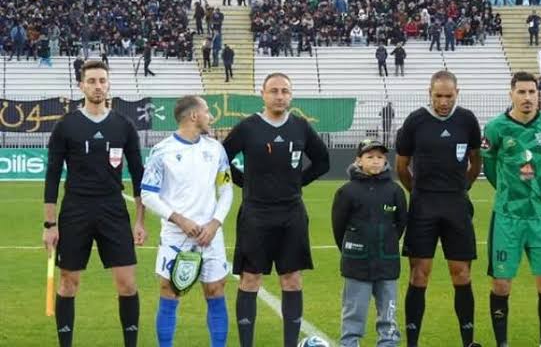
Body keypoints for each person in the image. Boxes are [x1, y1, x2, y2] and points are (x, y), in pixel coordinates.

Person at [42, 60, 146, 347]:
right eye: (92, 81)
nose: (98, 86)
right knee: (68, 283)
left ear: (108, 83)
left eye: (102, 80)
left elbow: (139, 176)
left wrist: (139, 220)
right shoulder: (66, 126)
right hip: (76, 209)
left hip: (114, 209)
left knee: (127, 284)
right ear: (81, 86)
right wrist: (50, 224)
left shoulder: (123, 125)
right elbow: (51, 177)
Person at [222, 73, 330, 347]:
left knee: (292, 280)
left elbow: (322, 162)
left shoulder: (301, 127)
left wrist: (297, 183)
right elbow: (222, 159)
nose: (279, 96)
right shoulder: (248, 127)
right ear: (263, 93)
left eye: (284, 91)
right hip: (255, 214)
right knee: (250, 279)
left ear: (291, 95)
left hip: (291, 214)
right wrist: (247, 185)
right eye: (274, 91)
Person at [395, 70, 483, 347]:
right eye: (438, 96)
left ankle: (468, 341)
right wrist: (418, 193)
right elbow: (401, 166)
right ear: (429, 92)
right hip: (423, 207)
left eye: (448, 96)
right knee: (419, 273)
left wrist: (460, 190)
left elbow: (475, 162)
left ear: (457, 93)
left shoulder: (467, 120)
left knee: (462, 273)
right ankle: (412, 342)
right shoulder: (415, 121)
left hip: (456, 205)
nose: (443, 101)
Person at [141, 96, 234, 347]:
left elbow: (226, 190)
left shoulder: (216, 149)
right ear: (194, 116)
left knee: (215, 290)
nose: (210, 117)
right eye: (206, 111)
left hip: (210, 235)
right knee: (169, 292)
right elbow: (148, 194)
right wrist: (179, 220)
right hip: (176, 234)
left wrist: (215, 223)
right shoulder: (162, 151)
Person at [481, 71, 541, 347]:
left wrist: (536, 190)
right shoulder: (496, 128)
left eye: (532, 92)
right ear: (511, 93)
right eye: (522, 92)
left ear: (538, 94)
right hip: (507, 217)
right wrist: (509, 191)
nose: (527, 97)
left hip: (540, 216)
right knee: (501, 284)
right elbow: (489, 166)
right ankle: (502, 343)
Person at [332, 140, 407, 347]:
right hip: (357, 264)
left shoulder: (395, 191)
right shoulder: (347, 191)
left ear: (386, 161)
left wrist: (387, 243)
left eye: (380, 157)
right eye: (370, 157)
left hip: (387, 263)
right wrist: (353, 249)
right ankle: (349, 343)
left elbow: (400, 224)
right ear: (358, 160)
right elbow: (339, 228)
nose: (375, 161)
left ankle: (388, 343)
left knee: (388, 313)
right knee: (354, 312)